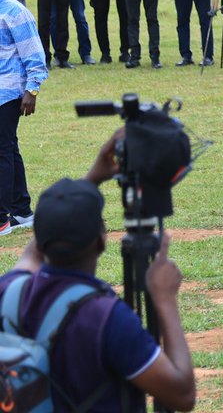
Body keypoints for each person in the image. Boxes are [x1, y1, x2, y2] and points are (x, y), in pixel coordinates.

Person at [0, 136, 196, 411]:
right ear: (102, 241)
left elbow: (35, 249)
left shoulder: (9, 291)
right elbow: (182, 395)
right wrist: (164, 299)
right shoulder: (106, 318)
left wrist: (90, 179)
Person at [0, 0, 45, 235]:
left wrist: (33, 90)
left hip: (8, 92)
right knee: (8, 147)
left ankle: (2, 219)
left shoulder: (15, 13)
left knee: (2, 151)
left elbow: (34, 54)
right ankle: (21, 210)